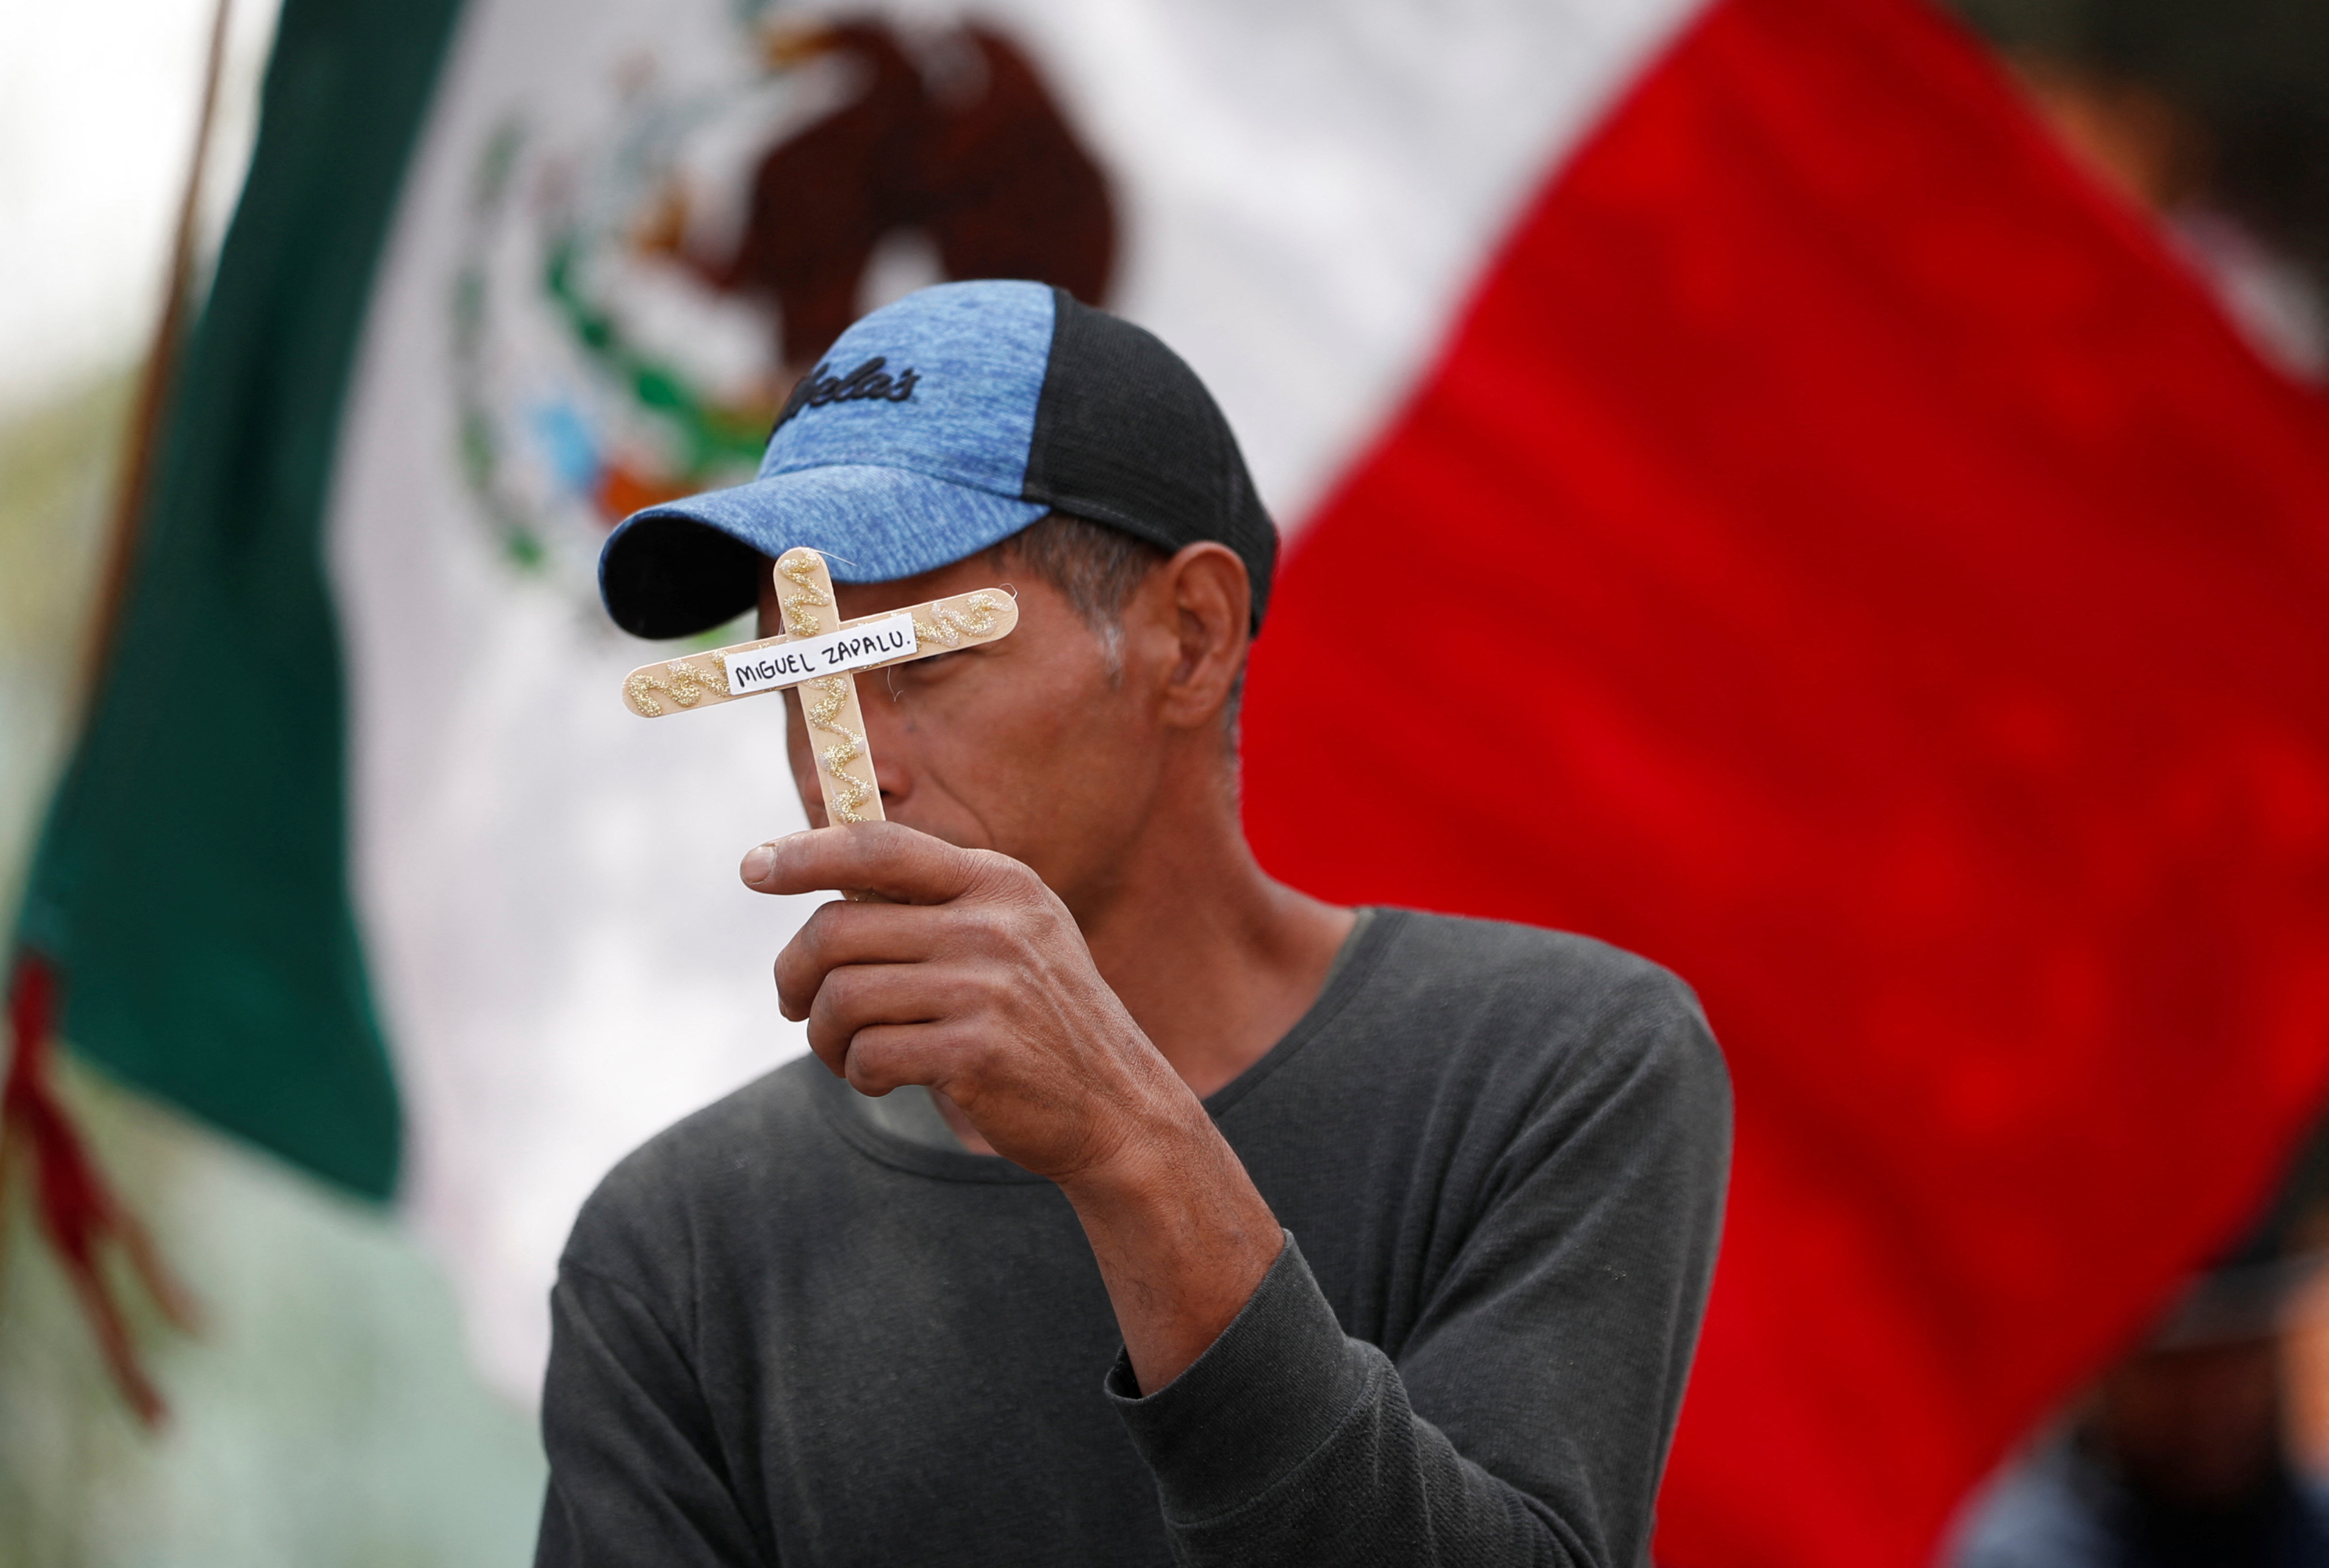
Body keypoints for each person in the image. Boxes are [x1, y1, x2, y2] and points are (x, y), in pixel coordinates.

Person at [538, 280, 1732, 1567]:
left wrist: (1126, 1143)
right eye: (794, 675)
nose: (853, 766)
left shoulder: (1553, 1068)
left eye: (923, 663)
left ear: (1188, 636)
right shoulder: (677, 1252)